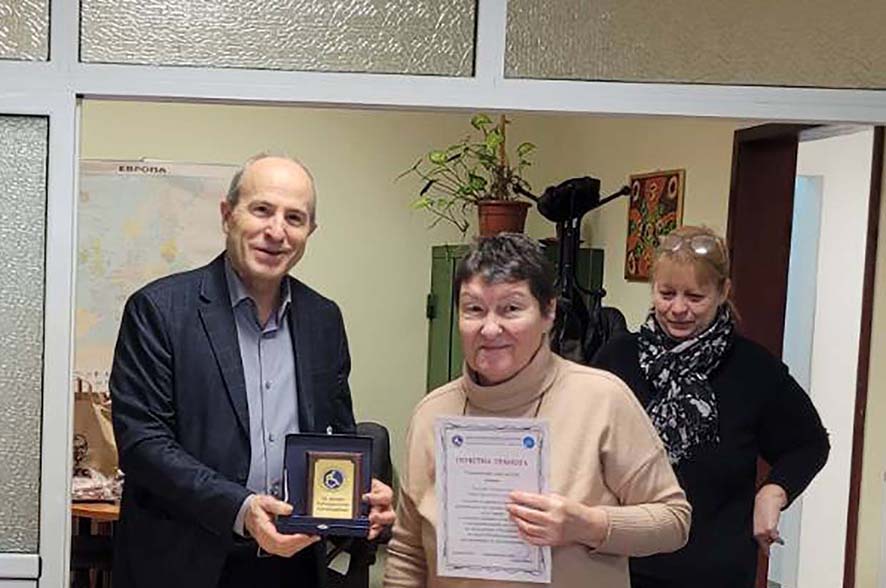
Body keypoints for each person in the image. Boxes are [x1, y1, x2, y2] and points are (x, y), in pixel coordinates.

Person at [110, 154, 395, 588]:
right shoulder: (159, 311)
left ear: (310, 231)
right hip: (187, 564)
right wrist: (242, 510)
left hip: (294, 567)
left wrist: (360, 498)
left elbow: (335, 437)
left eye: (294, 218)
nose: (276, 232)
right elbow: (143, 444)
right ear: (227, 215)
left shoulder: (323, 320)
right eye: (262, 210)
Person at [384, 233, 691, 588]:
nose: (490, 328)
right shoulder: (432, 414)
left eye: (511, 309)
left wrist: (587, 525)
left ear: (548, 313)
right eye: (474, 310)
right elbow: (408, 551)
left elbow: (674, 521)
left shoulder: (602, 399)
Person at [593, 225, 830, 588]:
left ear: (723, 292)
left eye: (695, 297)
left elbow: (809, 444)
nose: (678, 309)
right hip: (620, 564)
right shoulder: (617, 357)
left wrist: (773, 492)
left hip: (714, 570)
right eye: (666, 294)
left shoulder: (755, 370)